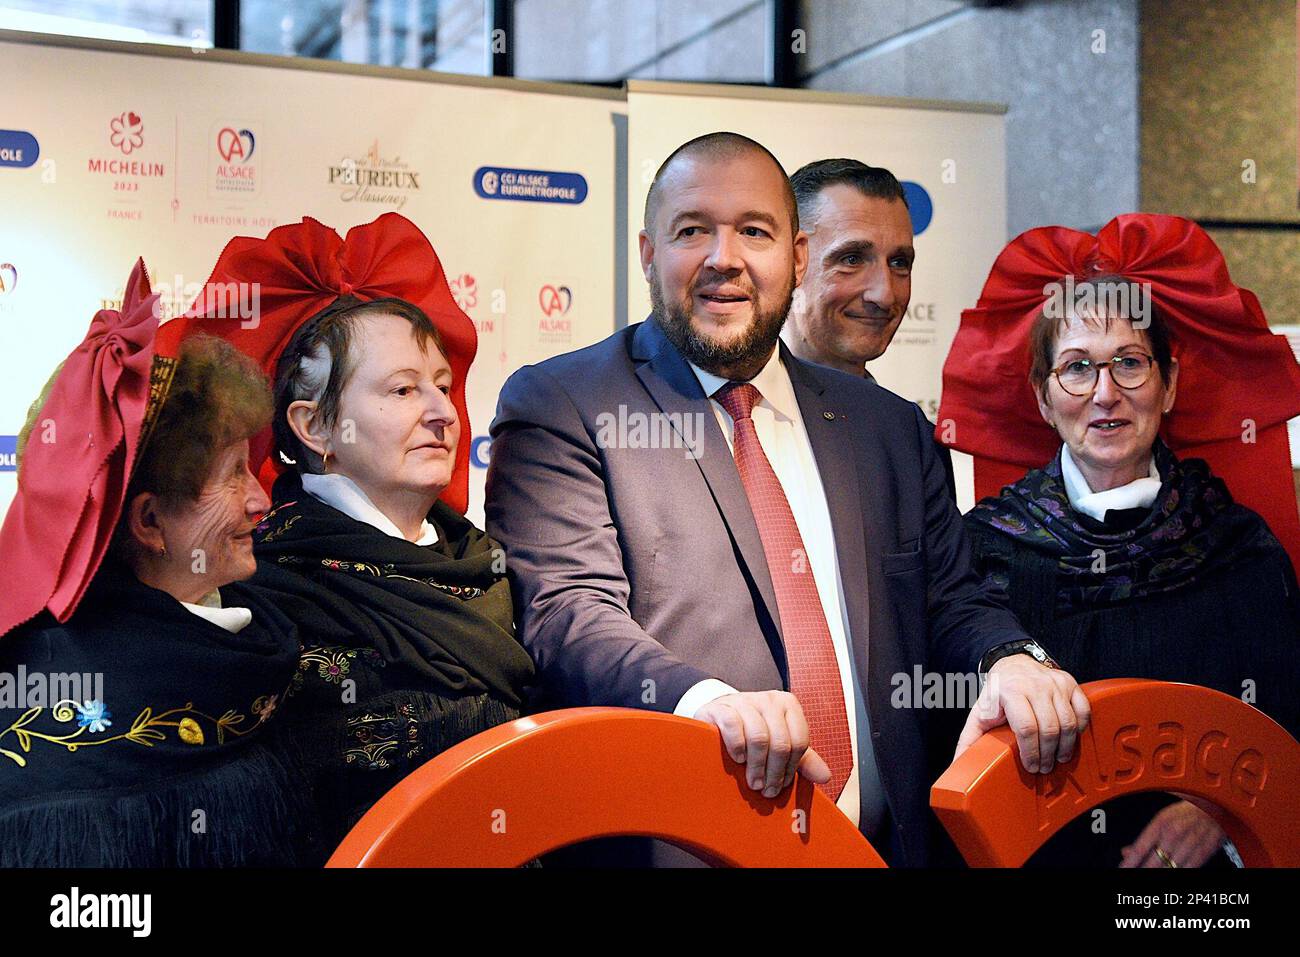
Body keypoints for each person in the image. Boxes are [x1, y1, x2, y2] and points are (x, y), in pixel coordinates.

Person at [486, 131, 1090, 866]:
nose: (723, 257)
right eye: (691, 231)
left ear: (796, 257)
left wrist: (1012, 659)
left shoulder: (890, 427)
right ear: (648, 253)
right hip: (687, 848)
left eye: (753, 231)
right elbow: (568, 612)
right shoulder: (565, 403)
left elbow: (952, 602)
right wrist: (704, 702)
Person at [154, 214, 535, 858]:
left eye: (442, 385)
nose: (443, 411)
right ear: (314, 426)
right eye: (403, 389)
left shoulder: (492, 565)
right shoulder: (258, 586)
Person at [947, 224, 1300, 868]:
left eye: (1128, 363)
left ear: (1168, 384)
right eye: (1077, 368)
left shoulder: (1239, 547)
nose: (1105, 393)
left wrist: (1218, 812)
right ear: (1043, 398)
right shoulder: (984, 555)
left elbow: (1287, 723)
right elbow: (951, 751)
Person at [0, 261, 311, 866]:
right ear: (149, 524)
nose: (260, 498)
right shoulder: (59, 733)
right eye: (231, 478)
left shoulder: (258, 639)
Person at [782, 158, 915, 382]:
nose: (884, 296)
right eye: (852, 259)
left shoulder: (901, 416)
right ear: (792, 260)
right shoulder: (721, 411)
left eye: (899, 263)